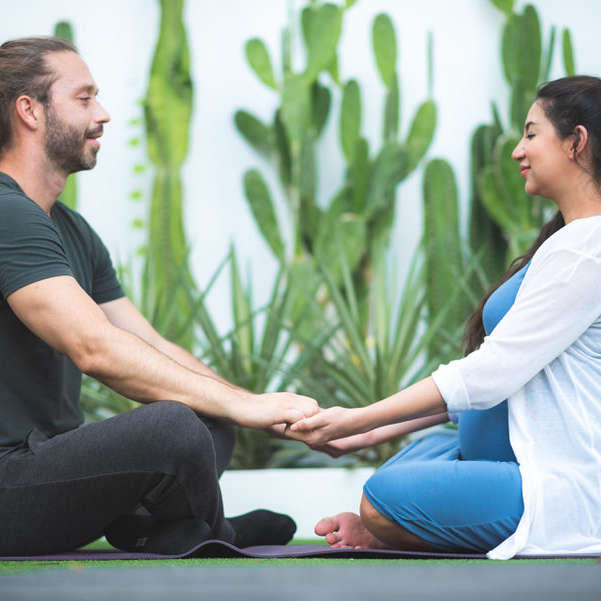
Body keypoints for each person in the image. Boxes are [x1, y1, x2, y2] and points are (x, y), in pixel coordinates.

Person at [0, 36, 320, 556]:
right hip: (9, 486)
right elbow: (96, 349)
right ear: (29, 111)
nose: (101, 114)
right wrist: (244, 404)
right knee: (174, 421)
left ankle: (152, 526)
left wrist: (262, 410)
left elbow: (148, 343)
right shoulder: (7, 213)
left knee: (204, 410)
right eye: (83, 98)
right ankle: (215, 532)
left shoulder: (71, 229)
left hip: (47, 470)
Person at [290, 75, 601, 560]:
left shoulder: (589, 248)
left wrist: (357, 417)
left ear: (576, 142)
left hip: (555, 482)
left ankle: (391, 527)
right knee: (414, 461)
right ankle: (404, 524)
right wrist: (373, 434)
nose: (518, 150)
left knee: (381, 501)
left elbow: (491, 373)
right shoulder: (569, 242)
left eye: (531, 133)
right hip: (503, 452)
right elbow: (513, 380)